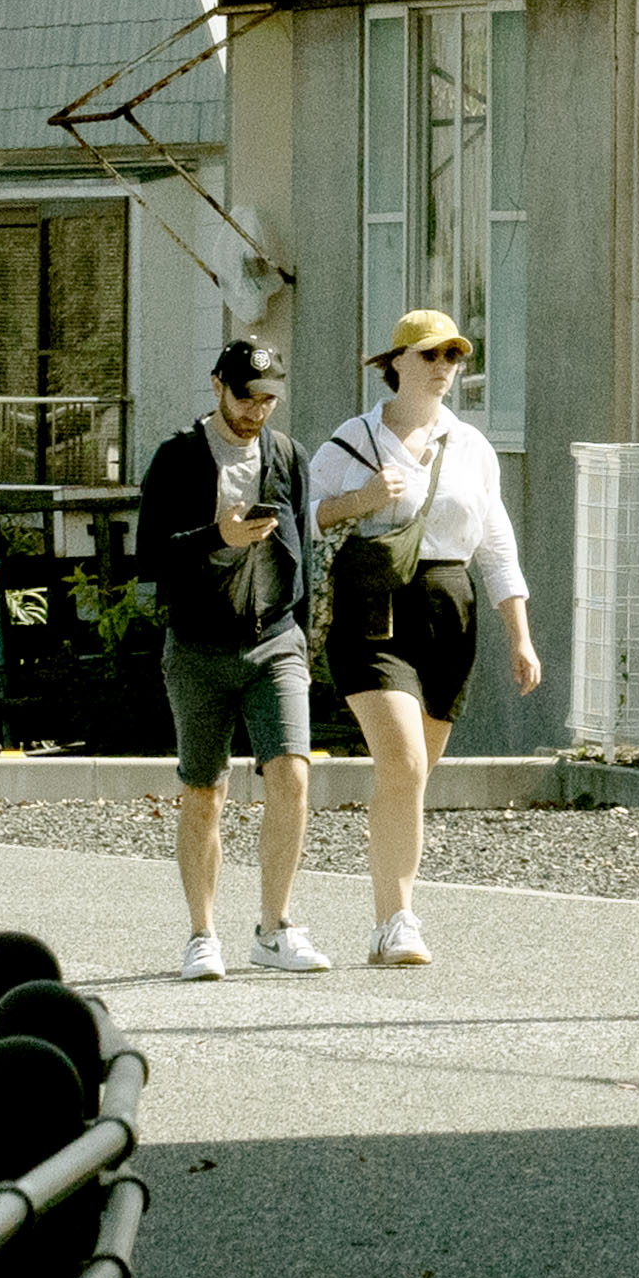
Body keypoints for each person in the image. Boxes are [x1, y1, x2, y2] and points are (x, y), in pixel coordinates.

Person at [307, 310, 541, 970]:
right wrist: (360, 499)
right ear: (397, 361)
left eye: (455, 355)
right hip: (373, 608)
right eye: (431, 354)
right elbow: (303, 512)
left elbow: (496, 545)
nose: (444, 366)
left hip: (450, 610)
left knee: (412, 778)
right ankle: (396, 920)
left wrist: (520, 637)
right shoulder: (354, 439)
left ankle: (392, 904)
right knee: (405, 765)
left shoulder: (471, 446)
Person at [136, 339, 321, 979]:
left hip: (275, 640)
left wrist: (302, 626)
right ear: (217, 384)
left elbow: (302, 543)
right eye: (246, 396)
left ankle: (275, 928)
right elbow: (149, 556)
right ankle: (201, 935)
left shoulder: (287, 456)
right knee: (204, 791)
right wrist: (220, 536)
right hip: (197, 646)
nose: (257, 410)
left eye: (269, 398)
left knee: (293, 774)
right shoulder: (177, 457)